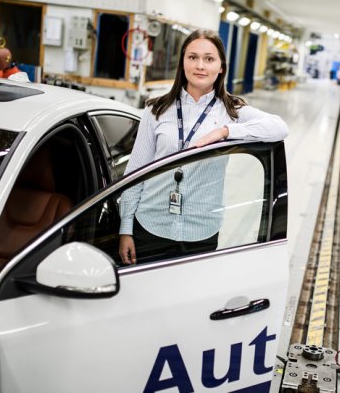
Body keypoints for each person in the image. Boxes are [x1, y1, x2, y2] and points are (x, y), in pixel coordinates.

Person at [118, 29, 288, 265]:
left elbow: (279, 127)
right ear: (183, 63)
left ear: (221, 67)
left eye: (209, 59)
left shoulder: (232, 111)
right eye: (192, 57)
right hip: (149, 227)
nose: (200, 65)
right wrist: (125, 229)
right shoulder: (157, 110)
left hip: (202, 231)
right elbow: (135, 172)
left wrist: (227, 132)